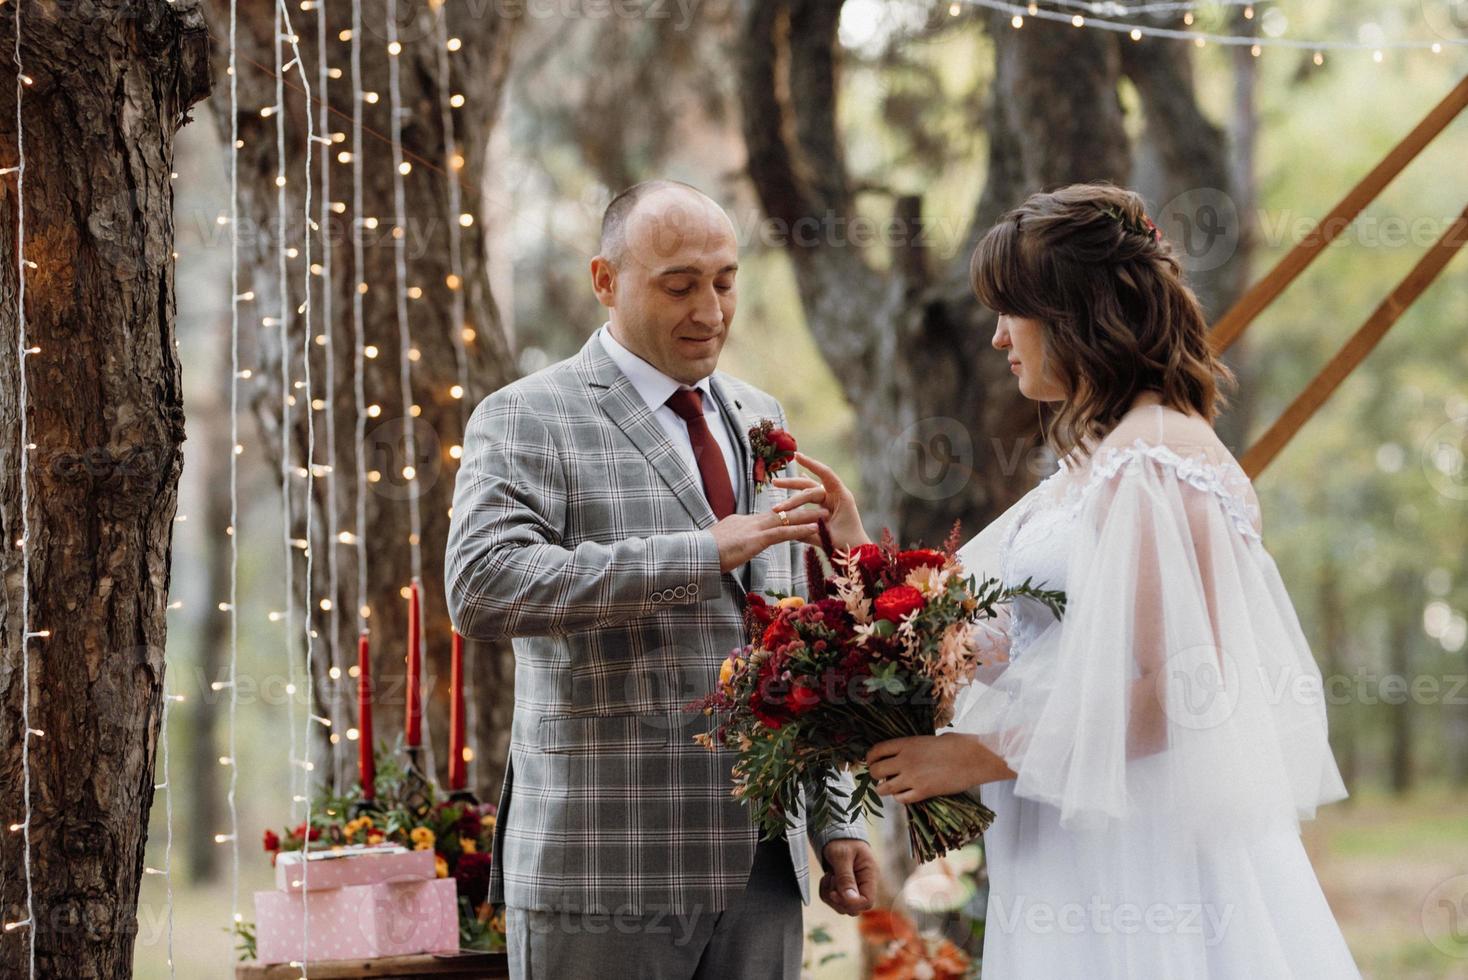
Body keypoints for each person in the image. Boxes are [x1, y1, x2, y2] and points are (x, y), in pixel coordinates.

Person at [792, 183, 1362, 977]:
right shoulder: (1097, 459)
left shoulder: (1153, 457)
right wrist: (853, 547)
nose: (996, 338)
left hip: (1135, 851)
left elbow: (1183, 692)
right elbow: (1003, 636)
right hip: (1066, 835)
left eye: (1011, 311)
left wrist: (975, 755)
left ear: (1076, 312)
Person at [445, 179, 876, 980]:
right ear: (605, 281)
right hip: (604, 870)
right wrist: (697, 553)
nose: (710, 310)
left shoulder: (760, 414)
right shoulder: (525, 415)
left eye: (724, 280)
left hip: (762, 875)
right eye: (679, 285)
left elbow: (796, 642)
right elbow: (482, 584)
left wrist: (835, 818)